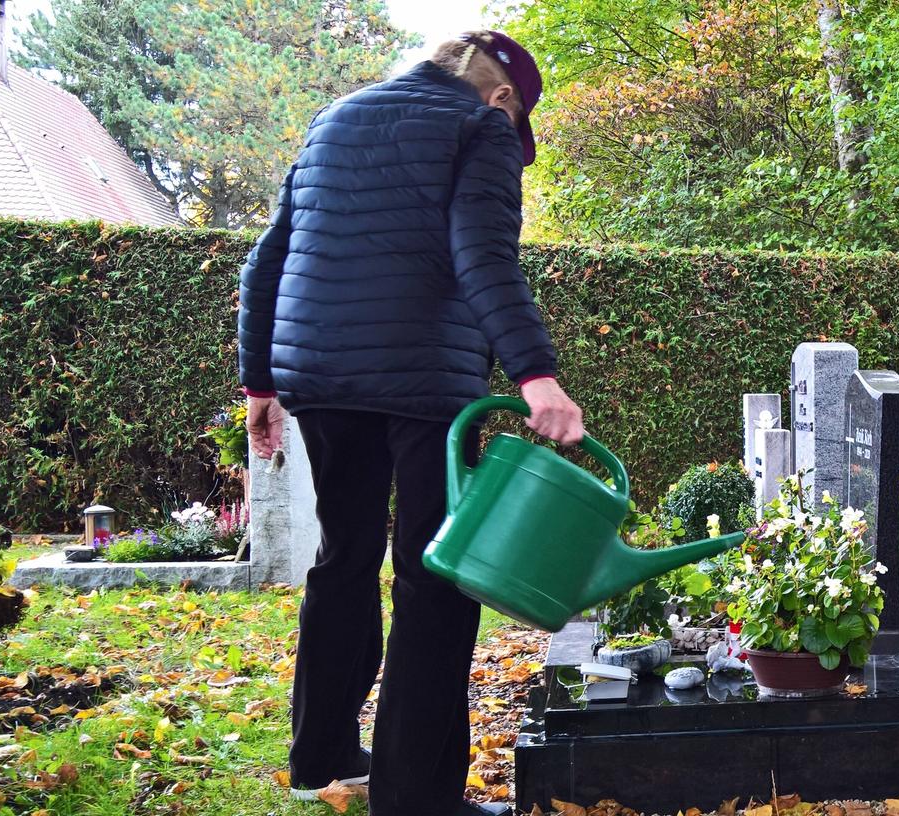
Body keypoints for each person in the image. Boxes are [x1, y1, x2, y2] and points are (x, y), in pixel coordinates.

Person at [237, 31, 582, 816]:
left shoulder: (335, 118)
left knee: (345, 557)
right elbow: (484, 254)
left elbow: (269, 257)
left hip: (319, 375)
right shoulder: (480, 127)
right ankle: (416, 798)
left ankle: (319, 749)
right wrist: (536, 374)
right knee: (434, 579)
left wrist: (259, 379)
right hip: (427, 378)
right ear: (502, 98)